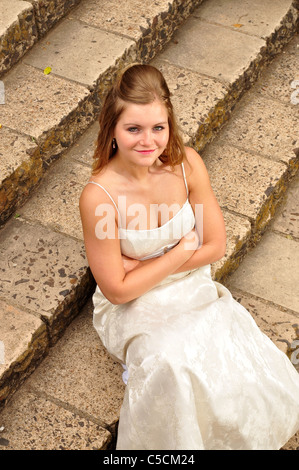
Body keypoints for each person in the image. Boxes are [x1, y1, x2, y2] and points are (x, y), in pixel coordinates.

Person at [79, 64, 299, 450]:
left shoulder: (187, 166)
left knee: (221, 348)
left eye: (158, 128)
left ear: (169, 123)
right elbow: (116, 290)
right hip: (136, 306)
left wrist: (139, 266)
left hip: (189, 284)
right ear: (112, 129)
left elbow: (214, 246)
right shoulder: (100, 197)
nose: (148, 142)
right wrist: (181, 249)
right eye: (133, 129)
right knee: (172, 361)